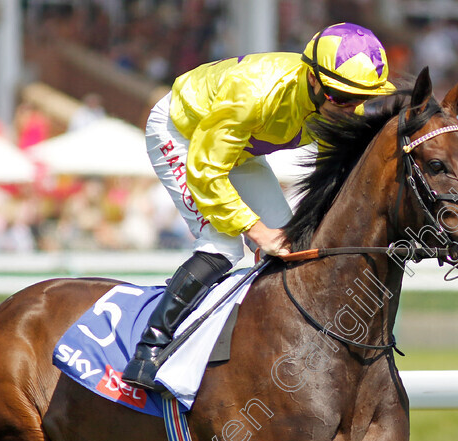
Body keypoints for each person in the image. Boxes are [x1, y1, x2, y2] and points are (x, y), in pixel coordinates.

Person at [122, 22, 395, 391]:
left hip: (242, 148)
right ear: (312, 79)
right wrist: (255, 230)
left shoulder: (343, 104)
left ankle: (258, 347)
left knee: (293, 245)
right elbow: (206, 169)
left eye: (359, 98)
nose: (349, 109)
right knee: (224, 246)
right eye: (339, 96)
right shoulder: (253, 92)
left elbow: (329, 181)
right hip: (183, 134)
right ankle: (149, 350)